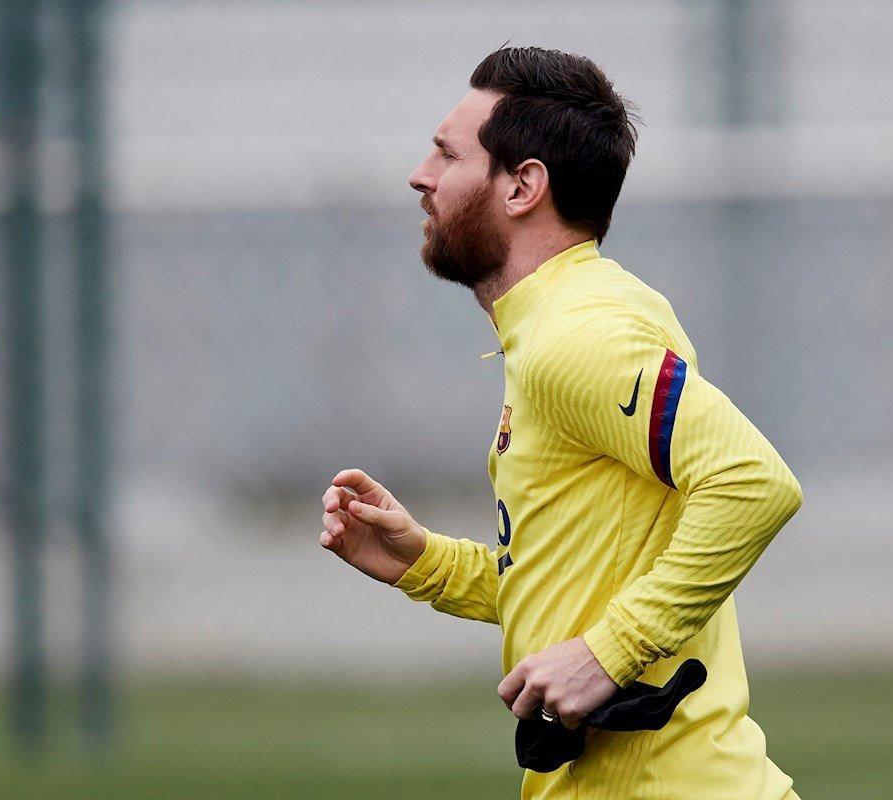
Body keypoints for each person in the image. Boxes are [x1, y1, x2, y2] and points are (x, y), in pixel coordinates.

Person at [319, 46, 802, 800]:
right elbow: (594, 567)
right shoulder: (566, 320)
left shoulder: (576, 336)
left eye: (447, 154)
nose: (421, 175)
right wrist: (431, 567)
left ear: (522, 186)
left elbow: (754, 484)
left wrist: (608, 655)